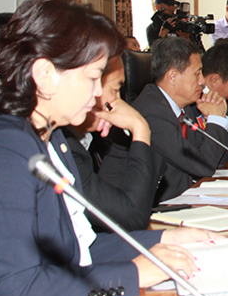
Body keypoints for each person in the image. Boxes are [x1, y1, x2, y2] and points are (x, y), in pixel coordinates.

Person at [0, 0, 214, 296]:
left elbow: (79, 251)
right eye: (92, 78)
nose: (98, 95)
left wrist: (164, 239)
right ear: (44, 75)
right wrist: (133, 275)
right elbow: (16, 288)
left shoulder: (50, 137)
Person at [100, 36, 228, 203]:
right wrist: (216, 120)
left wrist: (218, 117)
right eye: (197, 73)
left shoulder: (183, 108)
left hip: (176, 201)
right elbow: (203, 165)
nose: (202, 81)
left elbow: (217, 161)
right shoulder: (152, 113)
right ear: (172, 76)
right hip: (131, 209)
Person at [62, 55, 165, 232]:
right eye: (116, 90)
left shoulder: (93, 139)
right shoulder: (62, 146)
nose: (119, 101)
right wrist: (140, 127)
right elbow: (131, 216)